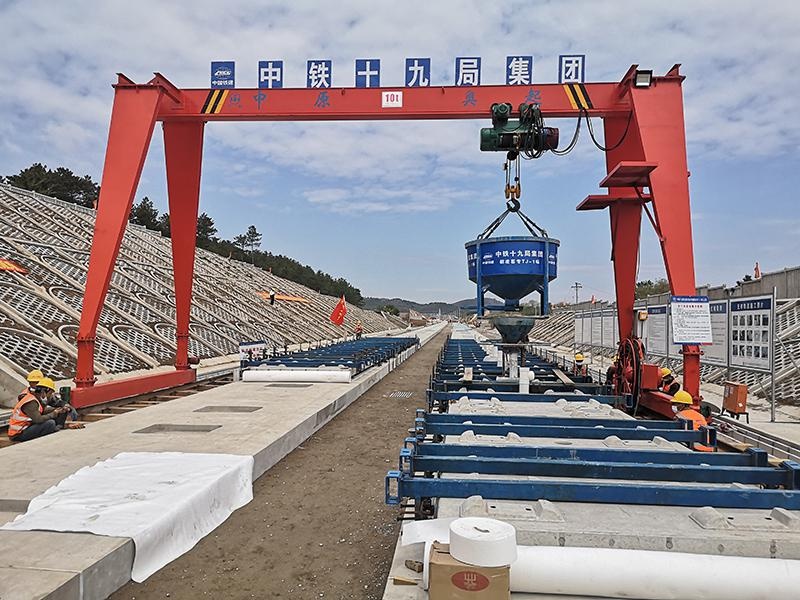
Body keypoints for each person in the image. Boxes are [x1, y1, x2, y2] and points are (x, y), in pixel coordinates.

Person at [8, 378, 69, 442]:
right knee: (50, 423)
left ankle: (57, 428)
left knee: (52, 419)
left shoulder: (35, 399)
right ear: (43, 392)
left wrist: (57, 410)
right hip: (18, 434)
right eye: (50, 393)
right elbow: (38, 419)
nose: (49, 396)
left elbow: (40, 412)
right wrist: (53, 413)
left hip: (26, 427)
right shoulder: (31, 402)